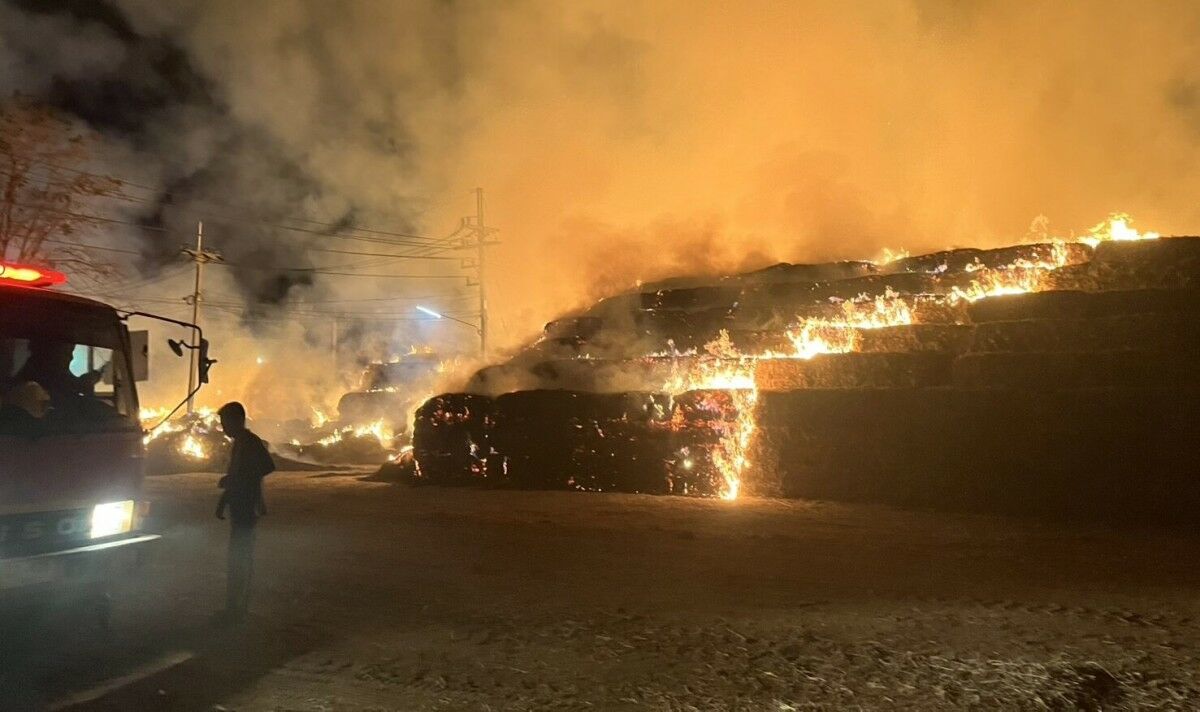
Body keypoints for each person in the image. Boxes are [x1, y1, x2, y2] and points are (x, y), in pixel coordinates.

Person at [214, 401, 275, 623]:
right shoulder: (240, 443)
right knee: (237, 556)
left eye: (225, 423)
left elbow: (268, 466)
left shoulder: (250, 442)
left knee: (241, 557)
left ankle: (239, 610)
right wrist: (225, 497)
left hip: (247, 506)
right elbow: (236, 476)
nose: (223, 428)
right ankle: (234, 608)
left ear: (237, 420)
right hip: (239, 505)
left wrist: (244, 478)